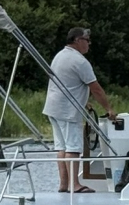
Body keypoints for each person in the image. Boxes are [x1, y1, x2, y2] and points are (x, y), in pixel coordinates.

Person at [43, 27, 116, 193]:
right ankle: (75, 184)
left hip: (53, 108)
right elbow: (96, 88)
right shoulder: (80, 61)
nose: (89, 44)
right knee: (73, 147)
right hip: (68, 111)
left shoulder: (60, 56)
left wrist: (85, 101)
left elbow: (67, 83)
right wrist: (109, 109)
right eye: (87, 40)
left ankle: (64, 184)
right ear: (77, 40)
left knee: (61, 147)